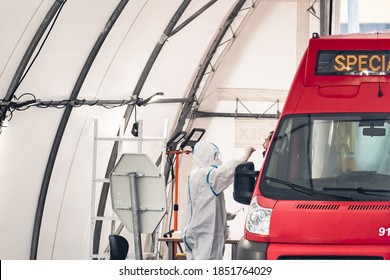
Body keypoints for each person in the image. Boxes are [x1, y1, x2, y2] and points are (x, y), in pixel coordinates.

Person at [182, 141, 256, 260]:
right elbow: (226, 171)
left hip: (200, 231)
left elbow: (202, 205)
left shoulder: (195, 175)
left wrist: (224, 215)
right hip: (205, 234)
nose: (218, 159)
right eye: (216, 156)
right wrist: (245, 157)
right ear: (207, 156)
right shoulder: (207, 175)